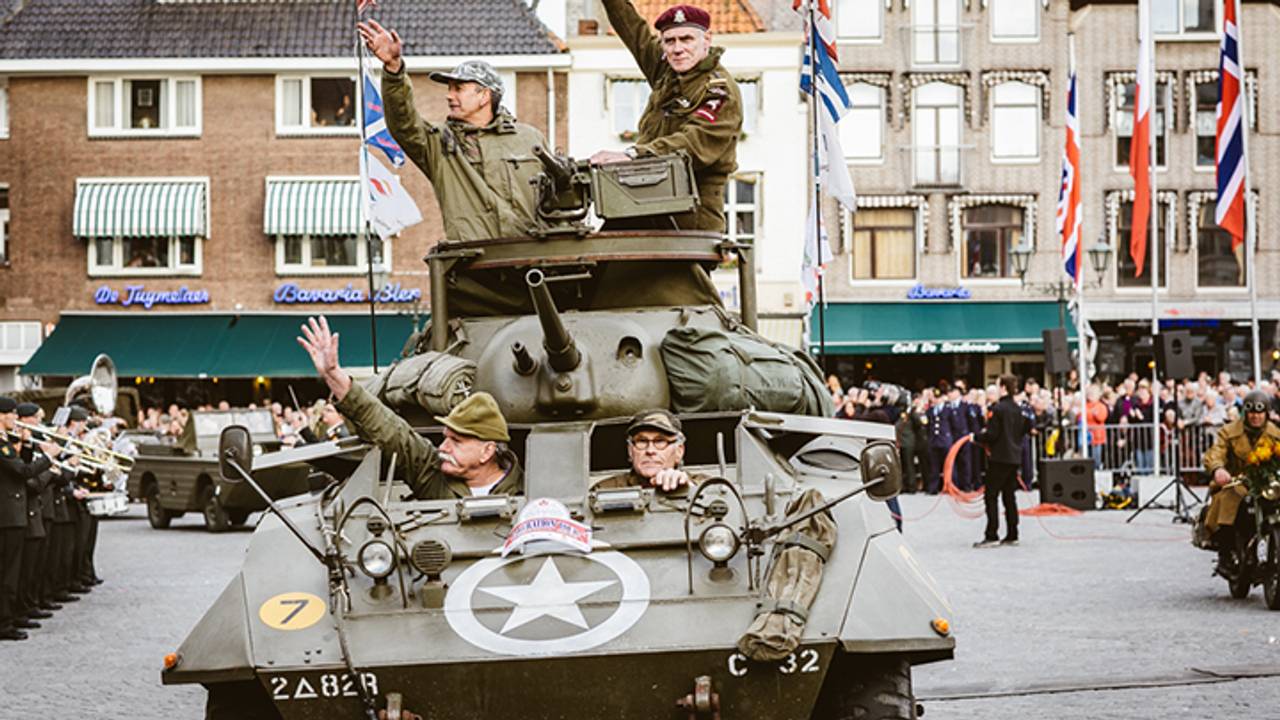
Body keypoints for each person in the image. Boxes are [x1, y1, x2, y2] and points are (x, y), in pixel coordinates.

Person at [357, 20, 549, 242]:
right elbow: (403, 123)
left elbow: (556, 195)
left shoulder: (530, 139)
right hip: (472, 264)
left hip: (529, 258)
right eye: (449, 89)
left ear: (484, 96)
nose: (449, 96)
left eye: (458, 89)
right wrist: (393, 69)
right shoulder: (438, 143)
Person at [297, 316, 522, 499]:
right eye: (447, 437)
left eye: (457, 441)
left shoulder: (526, 489)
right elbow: (391, 431)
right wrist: (334, 375)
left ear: (487, 451)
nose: (443, 447)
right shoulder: (431, 473)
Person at [592, 2, 742, 231]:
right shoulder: (668, 71)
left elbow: (693, 143)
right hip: (647, 203)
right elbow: (632, 29)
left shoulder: (718, 92)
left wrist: (634, 154)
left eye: (686, 39)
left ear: (707, 40)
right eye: (669, 41)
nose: (677, 48)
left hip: (689, 219)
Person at [1201, 390, 1280, 574]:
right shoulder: (1228, 432)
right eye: (1251, 412)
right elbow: (1215, 452)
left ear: (1267, 413)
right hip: (1236, 482)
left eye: (1260, 412)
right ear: (1245, 412)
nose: (1255, 416)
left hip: (1266, 484)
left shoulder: (1275, 434)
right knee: (1229, 499)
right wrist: (1218, 469)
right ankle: (1225, 552)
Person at [0, 396, 57, 640]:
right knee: (8, 572)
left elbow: (21, 467)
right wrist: (49, 458)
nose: (15, 418)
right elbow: (23, 472)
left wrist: (27, 446)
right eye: (12, 414)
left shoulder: (6, 442)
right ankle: (4, 623)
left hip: (15, 514)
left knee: (14, 570)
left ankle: (11, 616)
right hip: (7, 515)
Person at [972, 375, 1030, 548]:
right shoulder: (1017, 408)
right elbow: (1023, 430)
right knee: (1009, 496)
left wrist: (975, 437)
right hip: (1013, 457)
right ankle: (1013, 533)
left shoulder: (998, 409)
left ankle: (992, 534)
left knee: (991, 496)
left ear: (1004, 387)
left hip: (999, 458)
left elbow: (992, 435)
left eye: (998, 386)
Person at [594, 409, 703, 493]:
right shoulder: (606, 490)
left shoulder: (704, 484)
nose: (650, 450)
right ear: (630, 451)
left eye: (660, 441)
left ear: (679, 451)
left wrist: (689, 490)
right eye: (642, 441)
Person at [925, 390, 955, 494]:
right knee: (934, 466)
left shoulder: (948, 409)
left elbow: (953, 424)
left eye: (938, 397)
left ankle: (950, 487)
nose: (936, 400)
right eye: (935, 397)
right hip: (934, 440)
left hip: (945, 439)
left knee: (948, 465)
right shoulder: (931, 410)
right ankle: (933, 487)